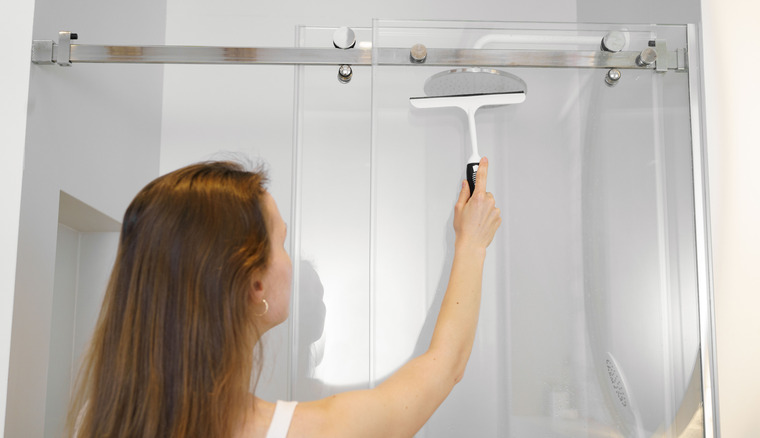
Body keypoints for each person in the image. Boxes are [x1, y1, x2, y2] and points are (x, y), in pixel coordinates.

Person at [66, 156, 501, 438]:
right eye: (282, 242)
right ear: (255, 285)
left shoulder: (95, 419)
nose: (290, 261)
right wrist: (472, 244)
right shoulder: (291, 432)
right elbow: (445, 366)